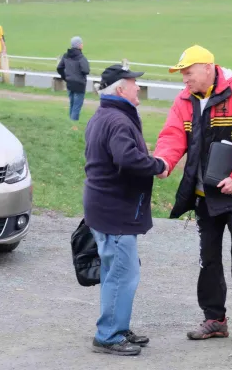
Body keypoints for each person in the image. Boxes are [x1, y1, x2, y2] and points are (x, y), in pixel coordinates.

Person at [154, 45, 232, 345]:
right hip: (204, 195)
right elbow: (171, 135)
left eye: (188, 73)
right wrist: (165, 162)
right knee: (208, 259)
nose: (184, 79)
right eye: (182, 74)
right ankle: (215, 319)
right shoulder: (184, 100)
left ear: (208, 68)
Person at [83, 61, 168, 356]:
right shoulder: (118, 120)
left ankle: (117, 326)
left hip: (105, 207)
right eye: (134, 83)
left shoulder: (104, 115)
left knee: (115, 272)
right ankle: (108, 334)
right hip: (114, 211)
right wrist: (159, 165)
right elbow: (128, 160)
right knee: (122, 274)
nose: (139, 87)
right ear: (121, 89)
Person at [56, 36, 90, 121]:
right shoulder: (81, 57)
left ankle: (70, 123)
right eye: (81, 43)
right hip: (79, 84)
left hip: (70, 83)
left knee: (72, 104)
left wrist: (65, 77)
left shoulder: (66, 56)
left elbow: (59, 68)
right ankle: (73, 125)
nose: (82, 44)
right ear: (78, 45)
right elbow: (86, 70)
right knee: (76, 106)